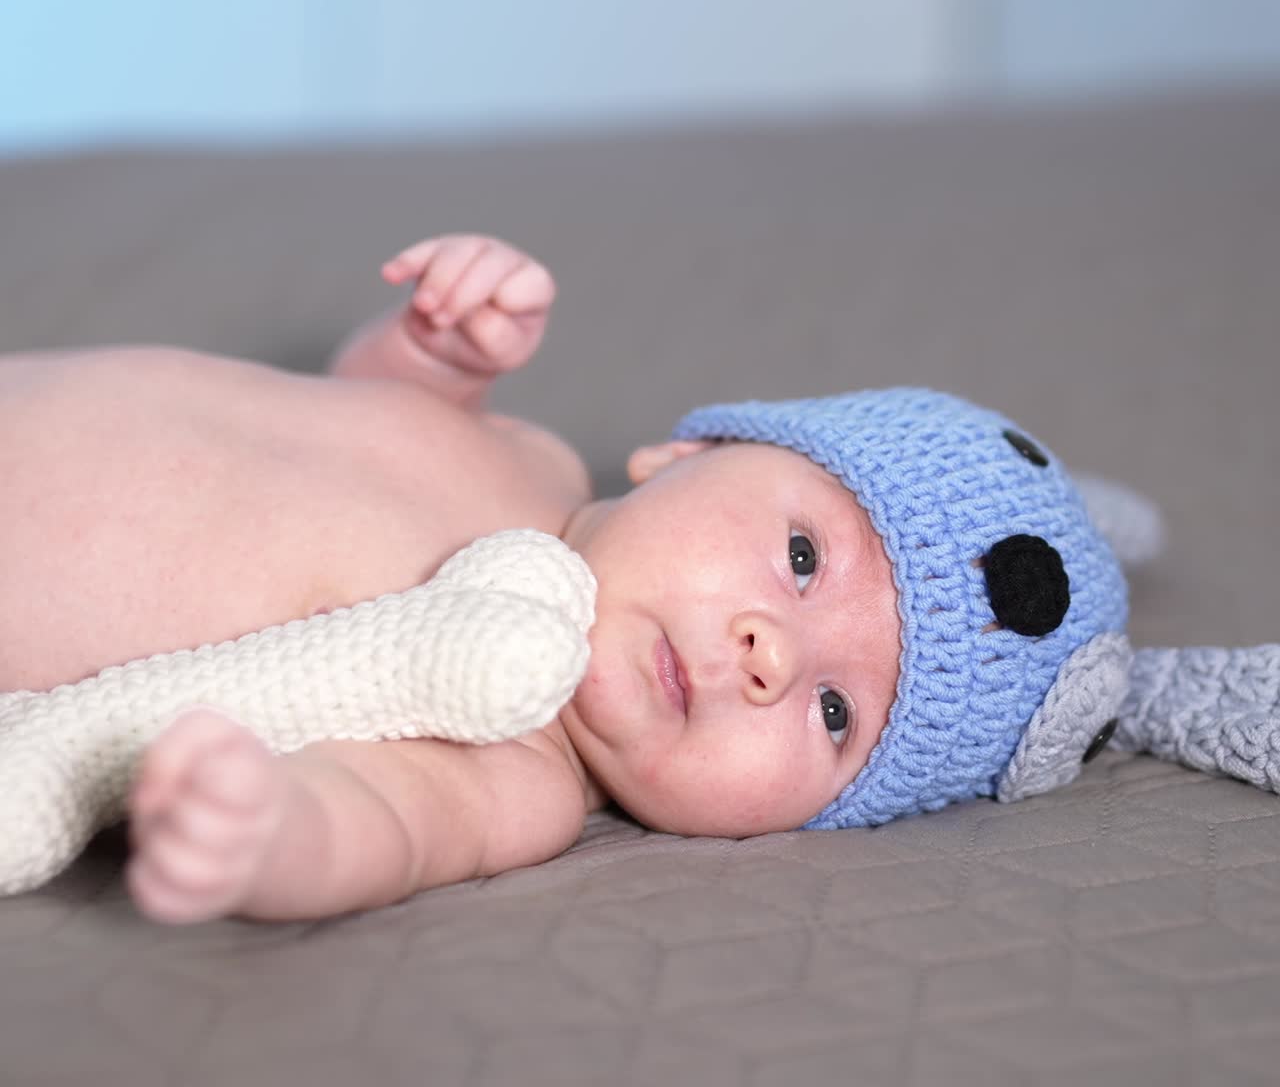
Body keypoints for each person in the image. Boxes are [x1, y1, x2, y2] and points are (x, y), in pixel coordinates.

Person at [0, 234, 1126, 922]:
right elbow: (355, 408)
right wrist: (431, 348)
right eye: (799, 558)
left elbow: (382, 827)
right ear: (688, 453)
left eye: (838, 713)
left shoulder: (522, 767)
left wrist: (267, 830)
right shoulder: (524, 450)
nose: (771, 653)